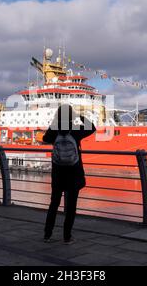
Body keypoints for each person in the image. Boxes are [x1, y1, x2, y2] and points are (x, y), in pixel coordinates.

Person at [42, 105, 96, 245]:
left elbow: (45, 138)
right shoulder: (76, 130)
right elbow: (92, 127)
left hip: (58, 172)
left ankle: (47, 235)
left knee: (54, 204)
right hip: (73, 173)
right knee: (71, 207)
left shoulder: (54, 130)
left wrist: (55, 123)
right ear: (71, 116)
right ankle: (67, 237)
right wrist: (79, 116)